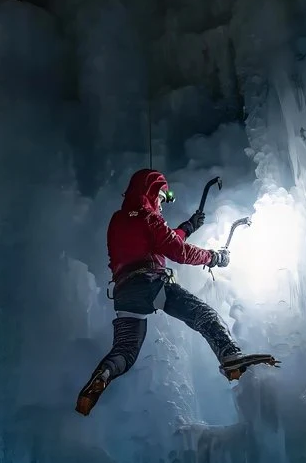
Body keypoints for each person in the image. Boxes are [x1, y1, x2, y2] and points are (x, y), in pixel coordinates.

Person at [75, 169, 278, 415]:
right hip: (151, 284)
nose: (161, 203)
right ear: (151, 191)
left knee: (124, 352)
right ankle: (231, 359)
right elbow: (177, 251)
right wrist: (213, 257)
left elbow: (158, 240)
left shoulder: (118, 219)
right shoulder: (150, 217)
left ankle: (103, 374)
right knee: (205, 316)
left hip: (124, 293)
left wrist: (188, 227)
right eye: (161, 197)